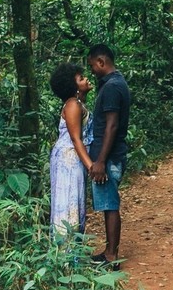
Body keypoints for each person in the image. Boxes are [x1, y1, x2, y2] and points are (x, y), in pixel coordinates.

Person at [86, 43, 131, 264]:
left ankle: (111, 255)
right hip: (111, 155)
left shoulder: (112, 87)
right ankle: (109, 251)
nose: (91, 71)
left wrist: (101, 161)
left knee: (110, 204)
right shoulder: (115, 82)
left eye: (92, 65)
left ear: (101, 62)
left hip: (109, 157)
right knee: (108, 204)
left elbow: (111, 125)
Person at [48, 62, 93, 243]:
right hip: (69, 158)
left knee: (74, 201)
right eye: (81, 78)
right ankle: (67, 256)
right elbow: (76, 139)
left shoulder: (77, 103)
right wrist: (91, 166)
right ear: (73, 86)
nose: (86, 79)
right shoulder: (73, 104)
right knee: (69, 202)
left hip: (73, 158)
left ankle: (71, 254)